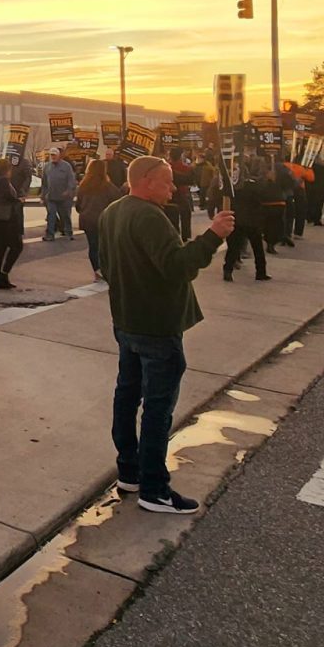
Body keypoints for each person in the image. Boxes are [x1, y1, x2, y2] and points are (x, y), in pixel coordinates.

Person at [101, 156, 235, 514]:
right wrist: (213, 237)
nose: (173, 188)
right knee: (158, 407)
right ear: (145, 182)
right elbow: (177, 266)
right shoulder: (149, 216)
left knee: (127, 395)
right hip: (157, 326)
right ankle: (155, 488)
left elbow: (104, 263)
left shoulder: (113, 211)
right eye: (166, 181)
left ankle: (130, 471)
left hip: (127, 320)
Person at [224, 159, 272, 282]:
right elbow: (262, 198)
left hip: (237, 219)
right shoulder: (253, 184)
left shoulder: (233, 187)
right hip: (252, 221)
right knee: (257, 248)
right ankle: (260, 272)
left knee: (233, 247)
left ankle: (227, 270)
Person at [0, 159, 26, 289]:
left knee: (0, 249)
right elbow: (8, 197)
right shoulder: (2, 181)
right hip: (6, 220)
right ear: (7, 170)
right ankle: (3, 273)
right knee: (16, 246)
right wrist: (19, 200)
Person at [77, 158, 121, 280]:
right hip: (102, 219)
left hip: (87, 219)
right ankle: (105, 269)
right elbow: (117, 199)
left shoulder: (83, 185)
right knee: (105, 246)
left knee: (93, 246)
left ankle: (97, 269)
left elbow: (78, 205)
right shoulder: (107, 186)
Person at [43, 149, 78, 240]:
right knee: (51, 215)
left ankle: (69, 233)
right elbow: (44, 182)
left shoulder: (66, 166)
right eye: (51, 155)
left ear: (59, 156)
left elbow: (71, 180)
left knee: (65, 216)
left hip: (64, 197)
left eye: (54, 155)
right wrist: (43, 195)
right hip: (51, 197)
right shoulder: (47, 167)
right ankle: (50, 235)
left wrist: (69, 190)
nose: (53, 157)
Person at [164, 151, 194, 240]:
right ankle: (186, 236)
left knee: (172, 217)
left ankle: (175, 236)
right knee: (186, 215)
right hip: (181, 194)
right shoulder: (185, 167)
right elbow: (189, 179)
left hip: (169, 195)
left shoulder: (167, 166)